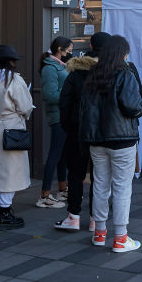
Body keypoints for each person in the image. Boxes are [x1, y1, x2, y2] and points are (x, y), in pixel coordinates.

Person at [79, 34, 142, 252]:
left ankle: (99, 233)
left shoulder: (93, 75)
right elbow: (132, 106)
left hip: (96, 139)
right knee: (121, 187)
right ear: (122, 54)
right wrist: (141, 108)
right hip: (122, 139)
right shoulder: (125, 74)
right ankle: (120, 238)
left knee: (100, 185)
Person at [54, 32, 106, 232]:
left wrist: (68, 127)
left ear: (91, 47)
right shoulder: (111, 74)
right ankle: (95, 219)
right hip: (102, 134)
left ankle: (73, 216)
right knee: (99, 176)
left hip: (76, 131)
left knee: (75, 173)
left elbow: (64, 104)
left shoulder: (75, 74)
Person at [0, 44, 35, 230]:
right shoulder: (13, 79)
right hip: (11, 128)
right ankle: (5, 214)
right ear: (10, 62)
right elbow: (26, 105)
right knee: (10, 172)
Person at [37, 37, 72, 209]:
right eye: (67, 50)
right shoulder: (50, 68)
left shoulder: (58, 66)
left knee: (63, 153)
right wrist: (70, 96)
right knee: (55, 154)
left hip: (64, 115)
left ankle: (62, 188)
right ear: (60, 49)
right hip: (58, 116)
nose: (69, 53)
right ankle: (44, 194)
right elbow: (50, 95)